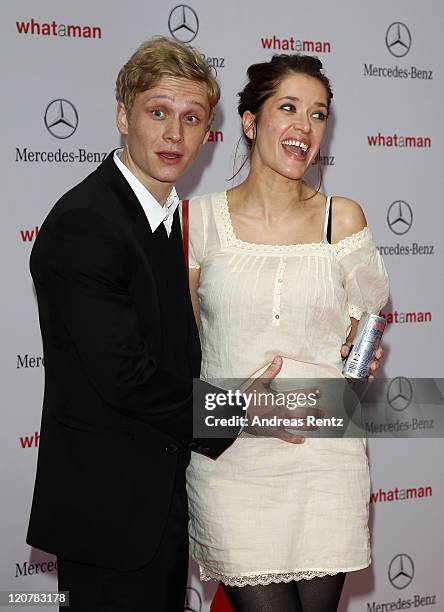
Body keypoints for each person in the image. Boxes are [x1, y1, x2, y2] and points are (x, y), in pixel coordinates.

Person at [26, 37, 292, 612]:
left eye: (192, 118)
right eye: (158, 112)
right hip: (108, 520)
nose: (175, 133)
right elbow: (125, 376)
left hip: (163, 508)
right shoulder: (88, 223)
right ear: (123, 116)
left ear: (207, 134)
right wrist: (239, 408)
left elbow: (181, 344)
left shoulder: (171, 218)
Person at [186, 54, 389, 611]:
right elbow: (181, 349)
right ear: (250, 122)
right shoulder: (197, 220)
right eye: (289, 108)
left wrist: (356, 349)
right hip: (234, 461)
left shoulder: (342, 218)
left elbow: (366, 318)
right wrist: (228, 411)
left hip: (326, 460)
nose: (305, 126)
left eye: (319, 114)